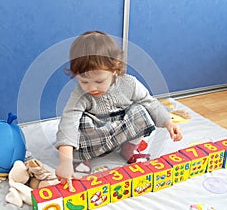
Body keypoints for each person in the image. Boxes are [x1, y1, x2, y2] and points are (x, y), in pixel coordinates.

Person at [55, 30, 182, 189]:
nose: (92, 87)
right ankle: (80, 158)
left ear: (114, 70)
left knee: (141, 110)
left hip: (118, 132)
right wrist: (64, 161)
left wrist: (168, 122)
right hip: (94, 137)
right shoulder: (80, 95)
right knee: (80, 122)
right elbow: (68, 123)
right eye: (84, 81)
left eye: (99, 81)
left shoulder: (129, 84)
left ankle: (129, 150)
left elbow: (150, 103)